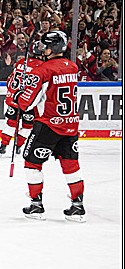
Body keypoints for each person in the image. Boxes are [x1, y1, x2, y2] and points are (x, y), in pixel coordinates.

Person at [15, 31, 85, 221]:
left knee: (31, 163)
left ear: (52, 48)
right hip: (71, 125)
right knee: (71, 165)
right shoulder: (72, 67)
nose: (41, 48)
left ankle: (36, 205)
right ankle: (77, 206)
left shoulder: (43, 70)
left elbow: (26, 103)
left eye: (45, 45)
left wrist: (19, 96)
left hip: (48, 126)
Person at [0, 39, 44, 156]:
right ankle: (18, 145)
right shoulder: (42, 67)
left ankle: (3, 145)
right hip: (29, 102)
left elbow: (9, 81)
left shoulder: (21, 62)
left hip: (14, 99)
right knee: (27, 126)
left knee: (11, 123)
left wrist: (12, 94)